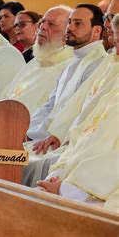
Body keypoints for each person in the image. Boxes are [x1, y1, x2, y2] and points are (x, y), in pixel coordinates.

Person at [36, 14, 119, 211]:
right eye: (116, 43)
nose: (117, 52)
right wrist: (60, 173)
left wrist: (68, 188)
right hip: (76, 178)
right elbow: (86, 130)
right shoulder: (114, 73)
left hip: (99, 194)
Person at [22, 4, 108, 186]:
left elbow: (81, 110)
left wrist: (56, 135)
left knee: (23, 162)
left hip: (67, 141)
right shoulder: (72, 63)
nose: (70, 28)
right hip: (46, 137)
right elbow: (50, 105)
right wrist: (26, 133)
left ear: (96, 31)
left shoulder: (100, 64)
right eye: (69, 23)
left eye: (78, 24)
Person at [0, 6, 74, 114]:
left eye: (51, 24)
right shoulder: (35, 62)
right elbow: (6, 96)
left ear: (66, 35)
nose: (43, 27)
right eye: (42, 22)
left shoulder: (68, 69)